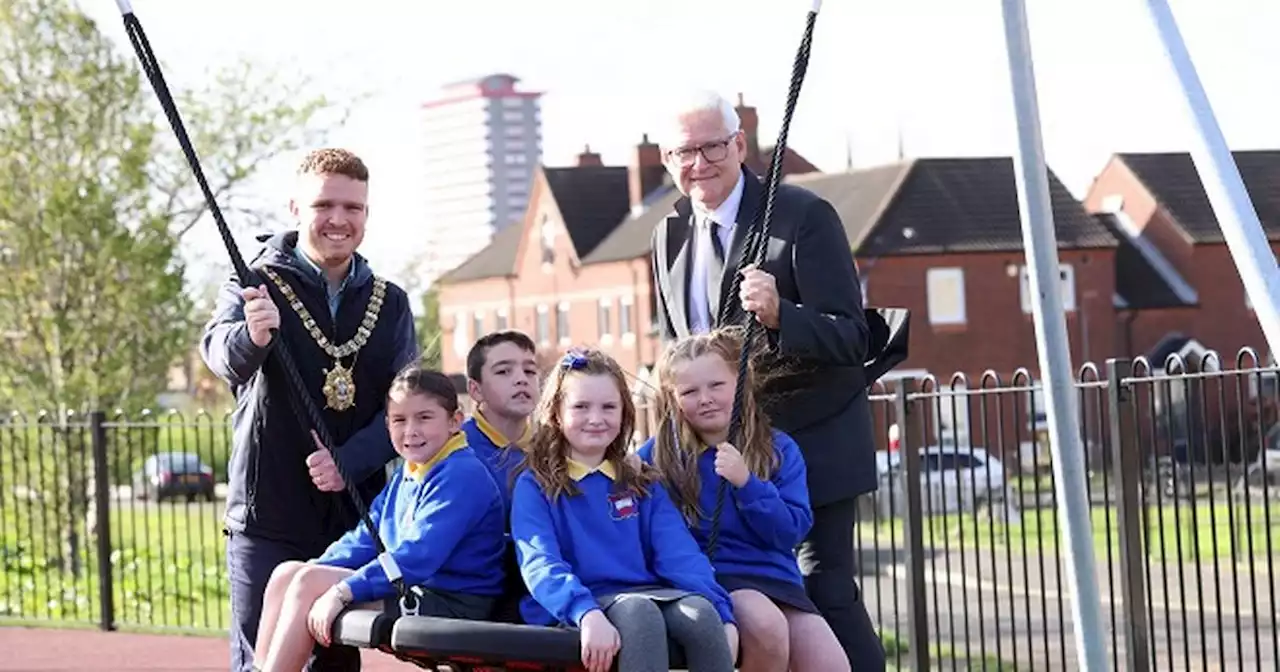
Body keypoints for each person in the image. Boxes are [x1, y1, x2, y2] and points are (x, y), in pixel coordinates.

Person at [648, 90, 885, 668]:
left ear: (739, 145)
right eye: (684, 152)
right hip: (713, 462)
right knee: (740, 601)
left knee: (823, 590)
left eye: (711, 148)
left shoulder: (802, 216)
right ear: (666, 159)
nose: (698, 163)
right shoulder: (667, 234)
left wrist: (784, 315)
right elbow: (674, 351)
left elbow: (853, 337)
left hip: (812, 445)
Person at [200, 148, 418, 671]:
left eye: (353, 207)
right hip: (267, 512)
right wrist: (251, 337)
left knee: (336, 658)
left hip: (351, 516)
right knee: (263, 657)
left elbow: (407, 405)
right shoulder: (253, 283)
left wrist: (353, 461)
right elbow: (219, 355)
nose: (339, 220)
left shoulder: (391, 302)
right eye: (325, 205)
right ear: (296, 208)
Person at [252, 365, 507, 672]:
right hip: (417, 588)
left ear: (455, 421)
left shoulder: (462, 474)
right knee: (287, 574)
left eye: (424, 418)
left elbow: (417, 555)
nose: (410, 431)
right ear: (388, 426)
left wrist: (343, 589)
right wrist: (317, 566)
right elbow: (368, 536)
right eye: (399, 420)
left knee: (307, 582)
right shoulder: (409, 472)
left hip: (454, 602)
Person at [509, 348, 738, 672]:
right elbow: (539, 562)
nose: (596, 418)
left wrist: (721, 613)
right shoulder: (536, 485)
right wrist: (585, 611)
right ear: (557, 414)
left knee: (702, 615)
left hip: (645, 593)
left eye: (608, 407)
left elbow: (679, 553)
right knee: (638, 614)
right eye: (581, 407)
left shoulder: (640, 480)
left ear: (624, 413)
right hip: (575, 604)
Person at [637, 328, 848, 672]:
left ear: (741, 382)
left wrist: (748, 484)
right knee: (766, 626)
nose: (705, 398)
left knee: (831, 664)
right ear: (673, 398)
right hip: (715, 578)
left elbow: (789, 533)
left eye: (716, 385)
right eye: (690, 391)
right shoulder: (660, 457)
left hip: (776, 578)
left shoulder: (777, 450)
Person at [461, 329, 540, 509]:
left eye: (529, 371)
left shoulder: (554, 448)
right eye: (504, 371)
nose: (521, 379)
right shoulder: (454, 448)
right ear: (475, 390)